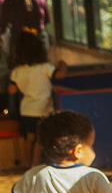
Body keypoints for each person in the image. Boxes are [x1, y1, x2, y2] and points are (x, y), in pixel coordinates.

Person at [6, 31, 67, 166]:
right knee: (40, 139)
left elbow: (12, 90)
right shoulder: (45, 68)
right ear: (40, 50)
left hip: (27, 110)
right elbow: (60, 75)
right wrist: (63, 64)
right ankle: (36, 165)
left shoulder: (17, 71)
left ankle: (28, 165)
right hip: (43, 110)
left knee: (29, 139)